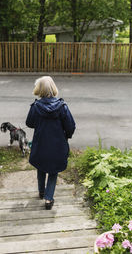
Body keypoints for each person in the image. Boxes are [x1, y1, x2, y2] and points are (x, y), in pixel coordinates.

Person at [26, 76, 76, 210]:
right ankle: (48, 199)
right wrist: (67, 136)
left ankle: (41, 191)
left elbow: (29, 123)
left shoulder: (36, 106)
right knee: (53, 171)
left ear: (39, 89)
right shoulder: (62, 107)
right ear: (53, 88)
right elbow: (71, 126)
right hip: (57, 145)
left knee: (41, 166)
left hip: (41, 144)